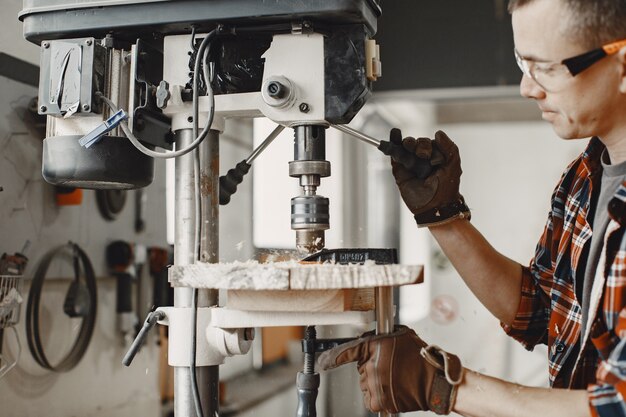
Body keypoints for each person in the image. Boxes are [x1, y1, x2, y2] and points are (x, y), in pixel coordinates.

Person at [317, 0, 626, 416]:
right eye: (522, 62)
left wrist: (443, 383)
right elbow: (540, 312)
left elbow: (618, 405)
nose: (527, 87)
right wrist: (442, 215)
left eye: (547, 68)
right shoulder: (583, 178)